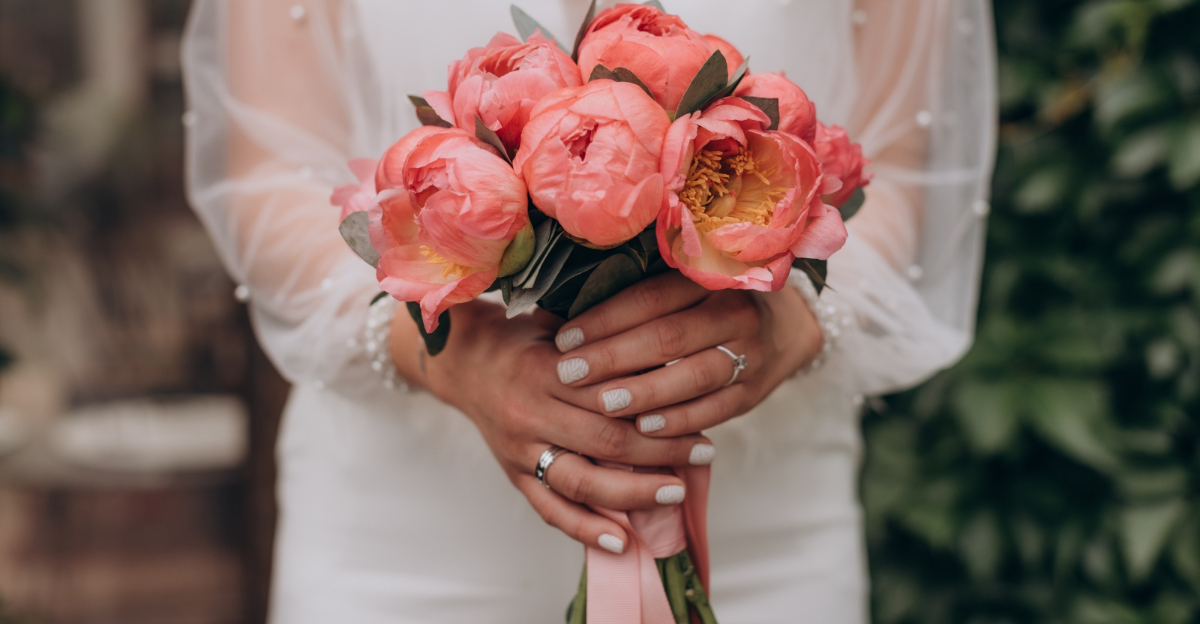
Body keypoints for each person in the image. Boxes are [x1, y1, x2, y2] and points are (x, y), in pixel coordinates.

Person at [181, 0, 996, 621]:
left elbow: (904, 166)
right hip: (402, 549)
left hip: (768, 543)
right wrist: (445, 351)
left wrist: (795, 321)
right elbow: (265, 175)